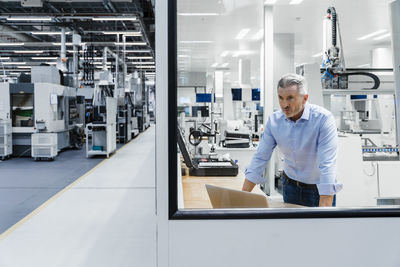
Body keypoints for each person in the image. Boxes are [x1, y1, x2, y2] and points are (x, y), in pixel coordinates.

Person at [242, 73, 342, 207]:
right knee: (291, 227)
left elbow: (328, 165)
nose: (284, 105)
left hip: (318, 189)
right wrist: (242, 197)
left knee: (321, 227)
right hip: (289, 185)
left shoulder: (323, 119)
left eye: (290, 98)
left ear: (305, 98)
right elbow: (261, 157)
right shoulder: (274, 121)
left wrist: (325, 208)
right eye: (281, 98)